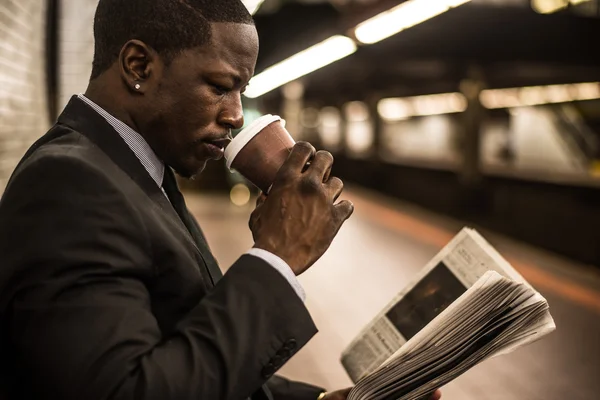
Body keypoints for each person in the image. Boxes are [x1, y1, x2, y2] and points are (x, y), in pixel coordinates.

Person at [0, 1, 441, 399]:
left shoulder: (131, 171)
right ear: (138, 66)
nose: (234, 115)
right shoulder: (70, 184)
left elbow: (182, 351)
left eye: (240, 93)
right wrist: (276, 257)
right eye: (219, 86)